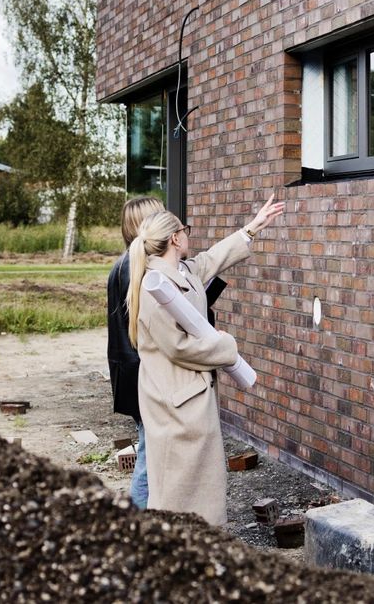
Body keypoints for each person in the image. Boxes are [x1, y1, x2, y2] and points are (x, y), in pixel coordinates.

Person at [126, 193, 285, 525]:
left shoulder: (183, 270)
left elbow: (215, 258)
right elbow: (180, 348)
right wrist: (226, 348)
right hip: (174, 405)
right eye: (186, 230)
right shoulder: (155, 288)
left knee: (197, 491)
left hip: (189, 399)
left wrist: (253, 228)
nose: (188, 235)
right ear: (174, 238)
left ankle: (197, 552)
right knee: (177, 492)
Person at [106, 196, 165, 508]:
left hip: (130, 372)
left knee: (150, 448)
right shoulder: (135, 268)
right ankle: (139, 517)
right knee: (149, 452)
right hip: (141, 373)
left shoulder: (125, 263)